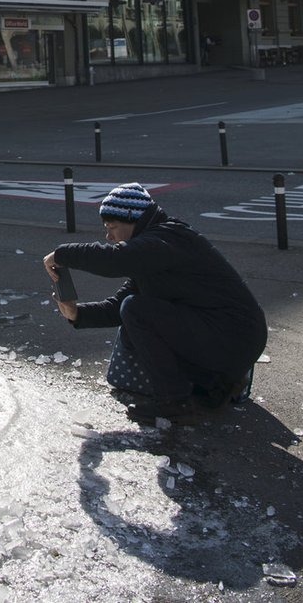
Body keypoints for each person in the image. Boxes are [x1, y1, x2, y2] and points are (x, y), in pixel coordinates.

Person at [43, 181, 267, 424]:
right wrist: (77, 314)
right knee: (133, 317)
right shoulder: (151, 251)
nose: (109, 236)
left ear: (131, 219)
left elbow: (114, 261)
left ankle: (175, 402)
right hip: (225, 336)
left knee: (137, 311)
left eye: (112, 227)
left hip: (234, 336)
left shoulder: (167, 238)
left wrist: (62, 254)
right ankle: (214, 385)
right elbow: (117, 306)